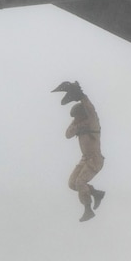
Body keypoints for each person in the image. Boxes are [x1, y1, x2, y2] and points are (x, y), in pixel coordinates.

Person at [52, 81, 106, 222]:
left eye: (77, 117)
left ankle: (88, 210)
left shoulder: (92, 121)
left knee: (80, 182)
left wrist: (82, 96)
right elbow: (68, 134)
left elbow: (90, 109)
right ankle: (95, 193)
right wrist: (77, 124)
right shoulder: (78, 123)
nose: (75, 120)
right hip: (85, 158)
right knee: (72, 184)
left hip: (95, 159)